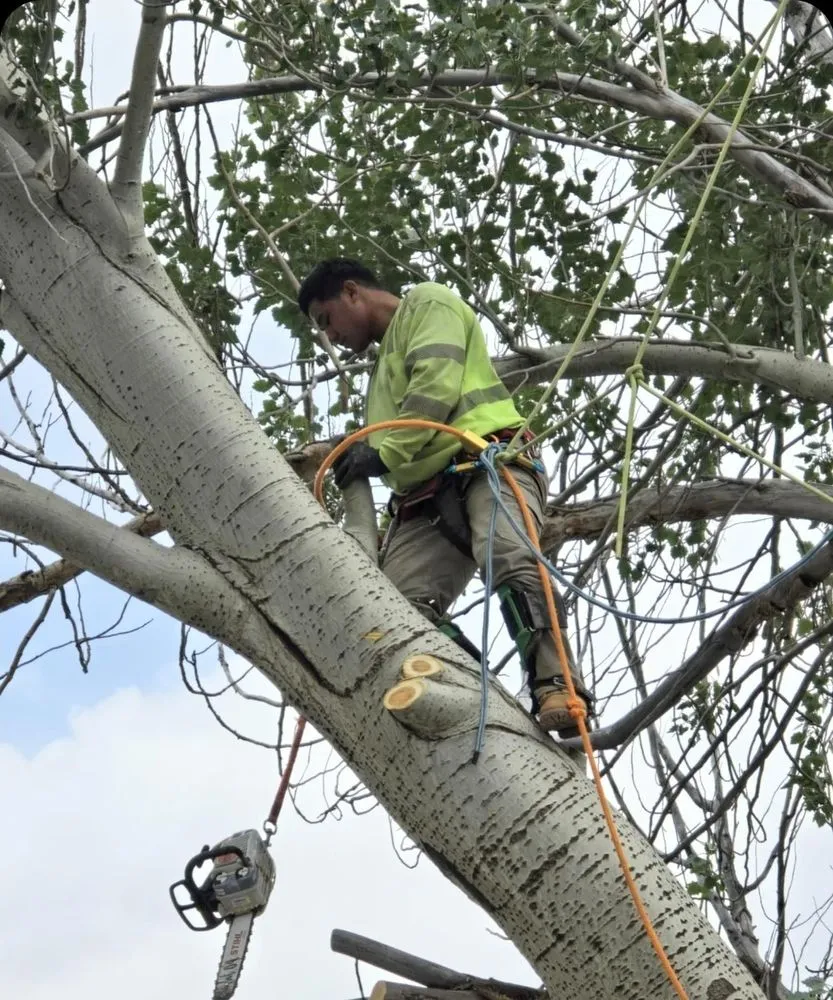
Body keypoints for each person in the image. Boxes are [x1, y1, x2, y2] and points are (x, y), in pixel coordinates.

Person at [297, 258, 593, 736]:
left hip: (488, 460)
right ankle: (484, 697)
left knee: (508, 555)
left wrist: (381, 452)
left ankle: (556, 683)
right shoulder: (379, 374)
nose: (330, 337)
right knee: (391, 609)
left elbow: (434, 386)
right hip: (425, 501)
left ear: (351, 292)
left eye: (326, 320)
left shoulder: (427, 304)